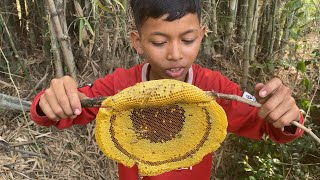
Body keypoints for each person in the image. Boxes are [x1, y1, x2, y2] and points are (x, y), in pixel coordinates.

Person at [30, 0, 304, 179]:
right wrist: (50, 102)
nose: (175, 54)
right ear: (138, 41)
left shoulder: (214, 89)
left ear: (201, 34)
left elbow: (269, 127)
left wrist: (287, 118)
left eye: (187, 40)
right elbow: (67, 110)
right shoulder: (120, 87)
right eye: (159, 42)